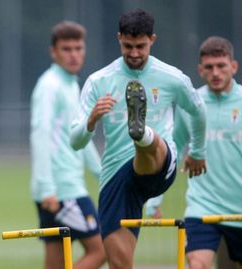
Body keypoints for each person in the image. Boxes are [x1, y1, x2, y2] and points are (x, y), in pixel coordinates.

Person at [69, 8, 207, 268]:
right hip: (115, 178)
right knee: (119, 264)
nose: (134, 53)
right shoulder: (99, 81)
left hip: (160, 166)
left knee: (148, 149)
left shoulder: (172, 78)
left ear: (152, 40)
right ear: (119, 38)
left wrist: (198, 150)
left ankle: (142, 133)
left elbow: (198, 111)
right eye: (128, 46)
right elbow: (75, 142)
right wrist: (91, 120)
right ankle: (141, 134)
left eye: (140, 46)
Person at [30, 21, 106, 269]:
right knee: (102, 249)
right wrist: (47, 186)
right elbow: (40, 134)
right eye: (66, 49)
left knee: (56, 263)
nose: (74, 55)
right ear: (54, 51)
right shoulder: (50, 85)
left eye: (78, 48)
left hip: (56, 190)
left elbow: (81, 139)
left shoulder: (71, 84)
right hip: (63, 190)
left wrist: (104, 176)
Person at [173, 36, 242, 269]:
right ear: (200, 70)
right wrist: (154, 200)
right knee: (197, 263)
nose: (215, 73)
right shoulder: (191, 103)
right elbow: (174, 146)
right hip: (203, 205)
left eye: (221, 66)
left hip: (240, 209)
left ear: (233, 66)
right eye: (209, 67)